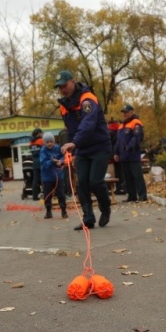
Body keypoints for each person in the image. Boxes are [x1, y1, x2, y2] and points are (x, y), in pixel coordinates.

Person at [54, 70, 112, 230]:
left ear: (73, 81)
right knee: (81, 184)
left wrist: (74, 142)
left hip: (99, 146)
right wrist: (70, 149)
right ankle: (88, 218)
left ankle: (105, 208)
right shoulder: (64, 106)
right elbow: (70, 129)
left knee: (95, 181)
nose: (62, 90)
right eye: (59, 87)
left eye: (65, 85)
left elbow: (88, 123)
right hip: (81, 149)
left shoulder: (87, 99)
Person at [114, 104, 148, 202]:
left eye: (126, 112)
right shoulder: (121, 125)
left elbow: (137, 137)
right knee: (127, 177)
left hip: (132, 154)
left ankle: (142, 195)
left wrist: (128, 147)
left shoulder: (136, 123)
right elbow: (118, 141)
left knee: (137, 175)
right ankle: (132, 196)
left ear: (131, 112)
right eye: (123, 112)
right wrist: (116, 152)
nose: (124, 114)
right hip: (123, 156)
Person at [39, 132, 68, 219]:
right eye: (47, 142)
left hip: (58, 176)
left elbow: (63, 157)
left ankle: (63, 211)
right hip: (47, 177)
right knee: (47, 195)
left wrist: (61, 162)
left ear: (54, 141)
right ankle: (48, 211)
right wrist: (53, 161)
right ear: (44, 143)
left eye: (51, 141)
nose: (50, 143)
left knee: (61, 194)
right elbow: (44, 164)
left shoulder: (57, 147)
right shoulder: (43, 150)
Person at [29, 128, 44, 200]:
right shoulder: (41, 141)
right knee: (44, 178)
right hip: (41, 162)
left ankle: (34, 196)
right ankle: (45, 194)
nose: (42, 134)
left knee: (35, 180)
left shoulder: (31, 142)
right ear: (38, 133)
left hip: (34, 162)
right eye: (41, 133)